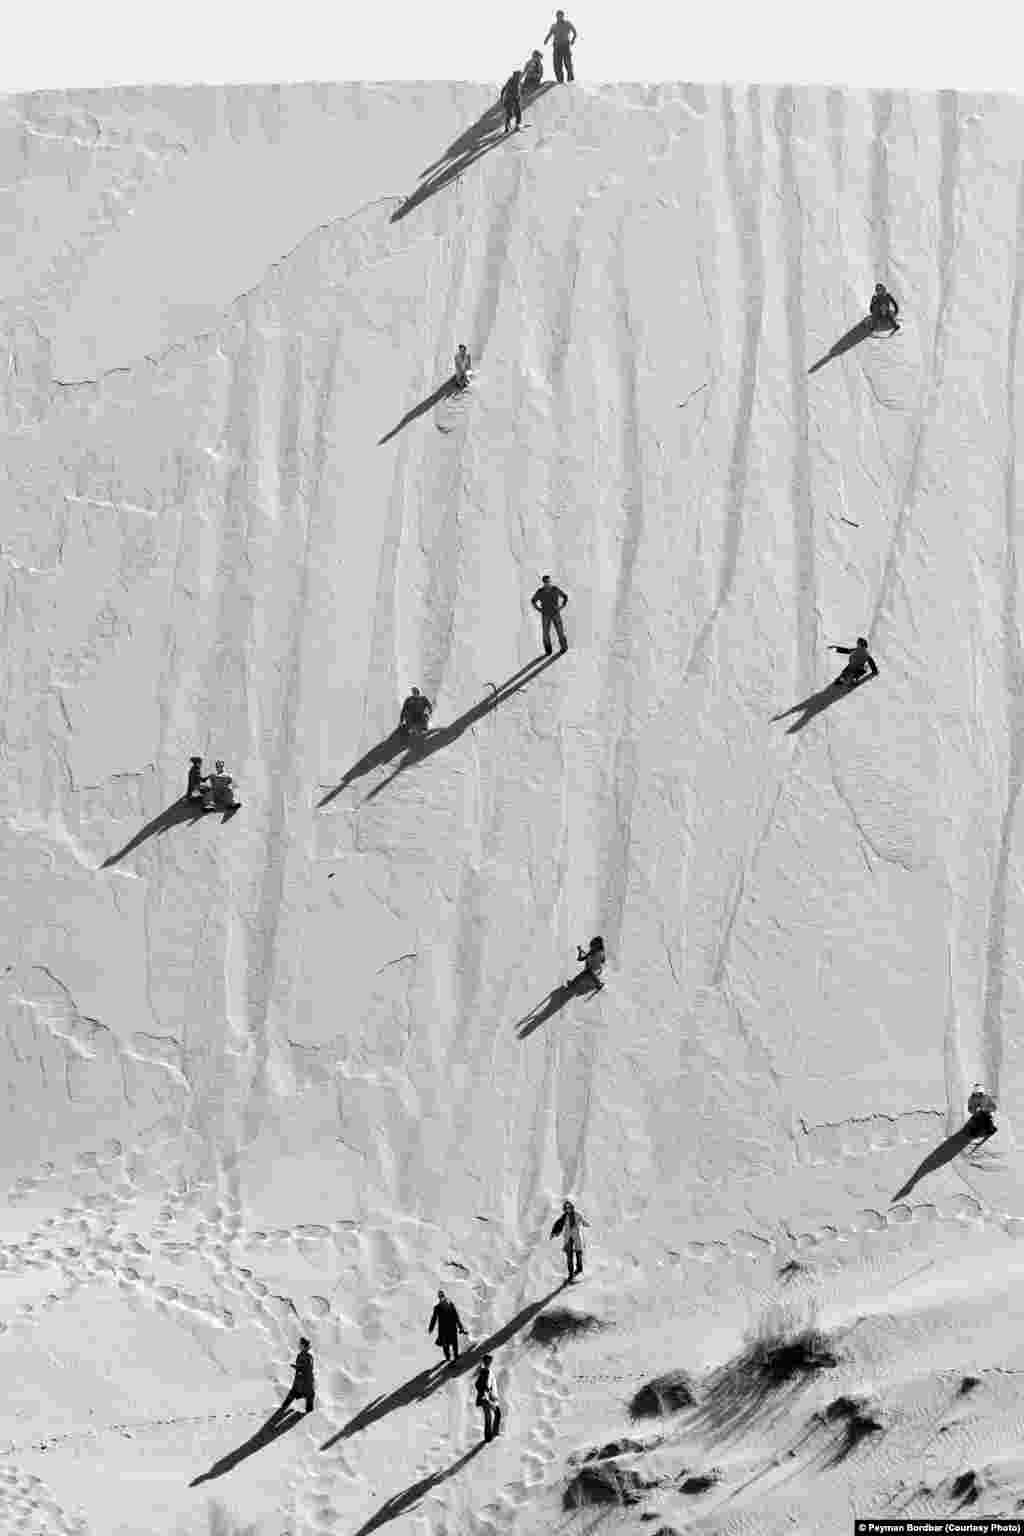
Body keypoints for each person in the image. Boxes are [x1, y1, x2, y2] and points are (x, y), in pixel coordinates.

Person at [271, 1338, 315, 1418]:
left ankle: (309, 1417)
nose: (299, 1345)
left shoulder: (308, 1357)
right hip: (299, 1382)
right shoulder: (300, 1355)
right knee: (293, 1394)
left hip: (306, 1383)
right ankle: (282, 1410)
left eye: (301, 1344)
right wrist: (297, 1367)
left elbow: (308, 1369)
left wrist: (298, 1367)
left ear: (304, 1346)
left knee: (308, 1401)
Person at [531, 574, 569, 656]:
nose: (547, 583)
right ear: (543, 582)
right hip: (545, 615)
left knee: (560, 631)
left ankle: (564, 647)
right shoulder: (540, 592)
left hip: (556, 614)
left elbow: (565, 597)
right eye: (545, 582)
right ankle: (548, 651)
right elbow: (533, 600)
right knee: (545, 634)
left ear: (550, 582)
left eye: (548, 582)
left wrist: (561, 607)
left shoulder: (555, 589)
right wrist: (539, 609)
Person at [550, 1199, 588, 1281]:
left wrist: (586, 1224)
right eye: (566, 1208)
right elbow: (558, 1225)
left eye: (569, 1207)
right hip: (568, 1239)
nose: (568, 1209)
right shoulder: (564, 1217)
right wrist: (554, 1232)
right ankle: (571, 1273)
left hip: (576, 1237)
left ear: (572, 1207)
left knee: (578, 1252)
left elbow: (582, 1221)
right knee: (569, 1256)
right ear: (565, 1209)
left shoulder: (577, 1215)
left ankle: (579, 1268)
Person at [428, 1288, 469, 1364]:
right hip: (443, 1330)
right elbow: (434, 1318)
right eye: (440, 1296)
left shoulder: (450, 1304)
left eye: (442, 1295)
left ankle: (456, 1357)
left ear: (444, 1296)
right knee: (445, 1345)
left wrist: (460, 1327)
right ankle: (448, 1359)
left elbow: (456, 1316)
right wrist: (431, 1328)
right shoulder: (437, 1307)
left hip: (451, 1327)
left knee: (454, 1343)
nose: (441, 1297)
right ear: (439, 1297)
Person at [544, 9, 578, 82]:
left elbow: (575, 32)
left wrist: (572, 40)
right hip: (557, 47)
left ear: (563, 16)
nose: (559, 17)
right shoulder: (554, 26)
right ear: (556, 17)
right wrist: (546, 40)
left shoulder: (567, 23)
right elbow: (550, 34)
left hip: (565, 45)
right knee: (557, 64)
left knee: (567, 63)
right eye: (558, 16)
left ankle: (570, 80)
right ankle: (560, 80)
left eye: (561, 16)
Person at [474, 1354, 502, 1441]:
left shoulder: (485, 1370)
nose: (490, 1362)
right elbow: (479, 1385)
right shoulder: (485, 1372)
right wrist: (487, 1392)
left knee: (490, 1416)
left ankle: (490, 1436)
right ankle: (491, 1435)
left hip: (486, 1398)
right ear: (487, 1362)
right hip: (486, 1399)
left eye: (490, 1361)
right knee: (494, 1414)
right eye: (489, 1361)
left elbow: (478, 1384)